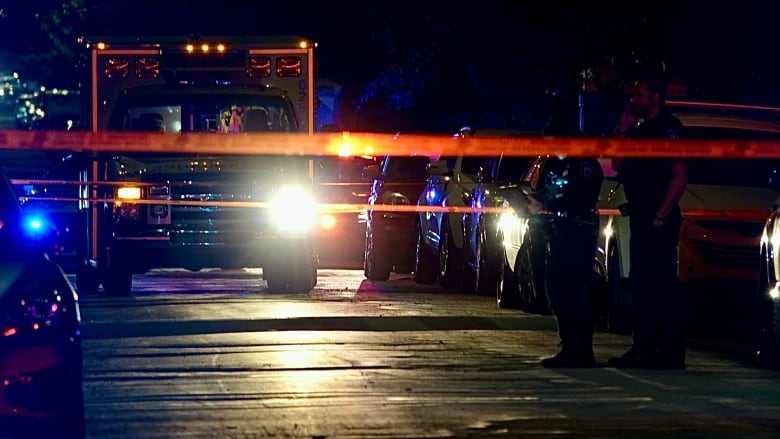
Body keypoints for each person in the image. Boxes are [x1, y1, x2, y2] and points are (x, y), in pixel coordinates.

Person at [608, 74, 688, 370]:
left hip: (658, 220)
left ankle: (669, 350)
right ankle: (644, 346)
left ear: (656, 97)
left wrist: (660, 216)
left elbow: (679, 176)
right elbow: (616, 163)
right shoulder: (639, 132)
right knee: (641, 283)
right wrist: (624, 129)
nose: (633, 101)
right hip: (641, 217)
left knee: (662, 283)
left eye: (639, 96)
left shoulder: (669, 128)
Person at [525, 150, 604, 368]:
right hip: (559, 232)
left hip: (578, 231)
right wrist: (535, 199)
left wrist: (546, 207)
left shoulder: (584, 165)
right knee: (556, 287)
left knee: (573, 289)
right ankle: (569, 345)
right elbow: (552, 190)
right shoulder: (556, 163)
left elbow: (580, 197)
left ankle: (581, 349)